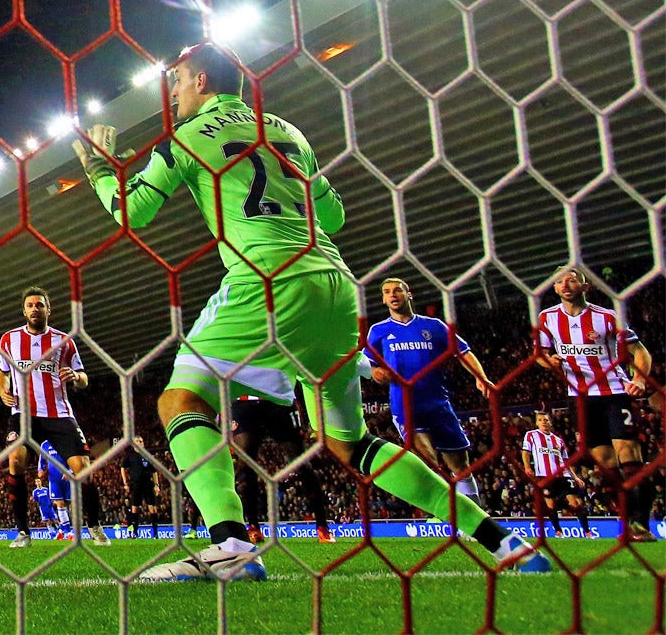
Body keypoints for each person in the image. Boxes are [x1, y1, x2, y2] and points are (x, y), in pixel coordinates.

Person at [72, 42, 550, 581]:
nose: (173, 91)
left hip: (267, 281)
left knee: (179, 401)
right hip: (333, 281)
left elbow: (131, 211)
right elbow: (333, 214)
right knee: (351, 442)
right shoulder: (284, 130)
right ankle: (503, 539)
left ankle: (230, 547)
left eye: (177, 79)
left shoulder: (182, 138)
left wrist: (97, 167)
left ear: (202, 80)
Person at [535, 266, 656, 542]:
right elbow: (540, 353)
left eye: (572, 280)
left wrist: (638, 379)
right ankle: (627, 523)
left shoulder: (607, 317)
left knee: (629, 457)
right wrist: (548, 361)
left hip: (613, 391)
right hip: (578, 396)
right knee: (604, 462)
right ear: (554, 288)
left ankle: (643, 525)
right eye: (559, 281)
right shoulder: (547, 318)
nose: (565, 285)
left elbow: (639, 351)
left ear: (585, 287)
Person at [364, 278, 494, 509]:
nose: (392, 295)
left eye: (397, 290)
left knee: (461, 466)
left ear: (409, 294)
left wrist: (480, 377)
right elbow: (369, 365)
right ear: (383, 300)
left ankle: (476, 514)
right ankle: (449, 511)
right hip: (405, 406)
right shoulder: (378, 331)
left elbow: (463, 351)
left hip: (438, 404)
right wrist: (377, 373)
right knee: (428, 462)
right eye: (387, 292)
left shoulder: (433, 326)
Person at [0, 286, 109, 547]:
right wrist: (2, 389)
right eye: (30, 305)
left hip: (58, 413)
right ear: (23, 310)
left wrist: (76, 377)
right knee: (15, 460)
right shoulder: (9, 340)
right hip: (23, 413)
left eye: (39, 304)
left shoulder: (64, 341)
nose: (35, 309)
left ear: (49, 309)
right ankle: (24, 532)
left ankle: (94, 525)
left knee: (84, 469)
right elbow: (2, 371)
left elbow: (83, 377)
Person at [230, 395, 336, 544]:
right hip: (244, 402)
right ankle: (253, 527)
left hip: (278, 399)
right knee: (245, 465)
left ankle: (323, 527)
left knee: (301, 464)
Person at [521, 409, 593, 538]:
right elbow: (525, 452)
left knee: (575, 502)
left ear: (551, 423)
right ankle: (559, 532)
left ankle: (587, 532)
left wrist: (575, 477)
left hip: (563, 475)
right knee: (551, 505)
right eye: (540, 420)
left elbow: (565, 461)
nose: (543, 422)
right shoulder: (531, 435)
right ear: (536, 423)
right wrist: (527, 467)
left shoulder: (558, 440)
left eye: (546, 420)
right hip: (544, 476)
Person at [120, 436, 161, 538]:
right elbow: (122, 468)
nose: (140, 443)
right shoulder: (129, 455)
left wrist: (156, 485)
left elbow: (154, 471)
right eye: (138, 441)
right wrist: (125, 483)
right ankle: (135, 532)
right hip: (135, 485)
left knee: (152, 508)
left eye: (141, 441)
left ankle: (155, 533)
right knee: (135, 508)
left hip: (147, 484)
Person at [38, 439, 74, 540]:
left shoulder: (65, 440)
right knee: (60, 504)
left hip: (67, 478)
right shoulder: (44, 444)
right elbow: (42, 462)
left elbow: (73, 458)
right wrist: (41, 470)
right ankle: (68, 532)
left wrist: (70, 471)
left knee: (67, 506)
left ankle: (62, 530)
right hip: (54, 480)